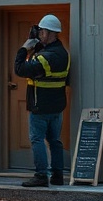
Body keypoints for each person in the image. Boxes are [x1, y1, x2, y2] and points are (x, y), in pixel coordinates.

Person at [14, 14, 71, 187]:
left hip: (40, 106)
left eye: (42, 31)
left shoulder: (44, 58)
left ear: (49, 32)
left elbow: (20, 69)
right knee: (55, 140)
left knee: (37, 139)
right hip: (57, 106)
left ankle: (41, 176)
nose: (39, 33)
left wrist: (24, 48)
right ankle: (57, 175)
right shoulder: (63, 53)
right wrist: (37, 44)